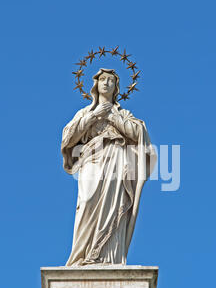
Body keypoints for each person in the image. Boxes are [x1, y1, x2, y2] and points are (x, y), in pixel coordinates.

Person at [61, 68, 156, 266]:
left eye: (111, 80)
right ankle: (81, 255)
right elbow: (68, 138)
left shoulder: (123, 113)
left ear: (116, 87)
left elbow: (138, 134)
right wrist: (94, 116)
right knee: (87, 201)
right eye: (103, 79)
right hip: (91, 158)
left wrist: (113, 117)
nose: (106, 83)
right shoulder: (85, 112)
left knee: (114, 206)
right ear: (96, 85)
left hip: (117, 157)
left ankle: (106, 256)